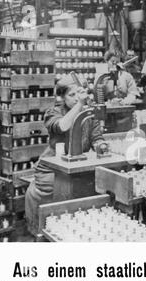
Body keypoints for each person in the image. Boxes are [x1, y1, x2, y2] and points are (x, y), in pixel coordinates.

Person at [25, 77, 108, 235]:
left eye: (79, 94)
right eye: (72, 95)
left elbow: (97, 138)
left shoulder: (89, 114)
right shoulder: (53, 112)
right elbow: (63, 126)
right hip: (51, 169)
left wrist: (100, 146)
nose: (76, 98)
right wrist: (80, 105)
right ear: (62, 97)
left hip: (76, 166)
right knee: (65, 190)